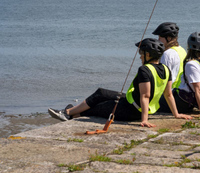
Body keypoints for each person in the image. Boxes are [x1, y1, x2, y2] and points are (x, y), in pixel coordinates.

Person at [48, 38, 191, 127]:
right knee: (101, 93)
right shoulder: (166, 69)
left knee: (96, 108)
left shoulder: (144, 70)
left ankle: (69, 114)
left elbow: (145, 96)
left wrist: (144, 120)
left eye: (141, 53)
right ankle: (67, 112)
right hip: (134, 104)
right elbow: (168, 95)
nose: (140, 56)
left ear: (148, 55)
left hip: (132, 110)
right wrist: (176, 114)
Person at [159, 32, 200, 120]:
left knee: (155, 103)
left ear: (189, 46)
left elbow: (198, 89)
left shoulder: (191, 64)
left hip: (183, 101)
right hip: (190, 100)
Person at [152, 22, 186, 89]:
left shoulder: (167, 54)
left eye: (160, 37)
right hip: (180, 90)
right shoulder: (182, 50)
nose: (158, 40)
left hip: (170, 92)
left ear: (169, 38)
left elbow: (163, 78)